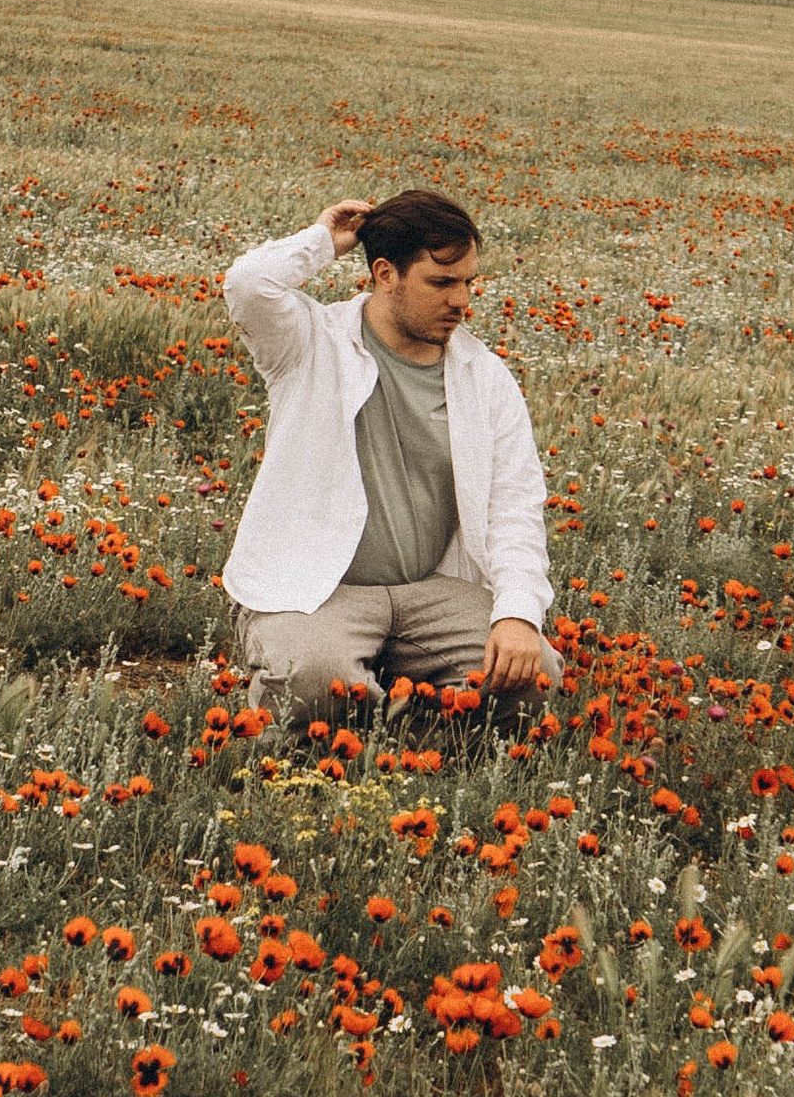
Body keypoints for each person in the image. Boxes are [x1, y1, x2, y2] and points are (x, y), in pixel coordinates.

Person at [220, 188, 561, 724]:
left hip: (430, 591)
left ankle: (407, 732)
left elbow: (514, 506)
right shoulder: (311, 342)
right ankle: (363, 704)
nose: (462, 300)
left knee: (533, 675)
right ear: (385, 274)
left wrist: (517, 614)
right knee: (316, 683)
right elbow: (248, 284)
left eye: (468, 282)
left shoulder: (485, 378)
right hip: (315, 590)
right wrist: (321, 243)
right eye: (441, 282)